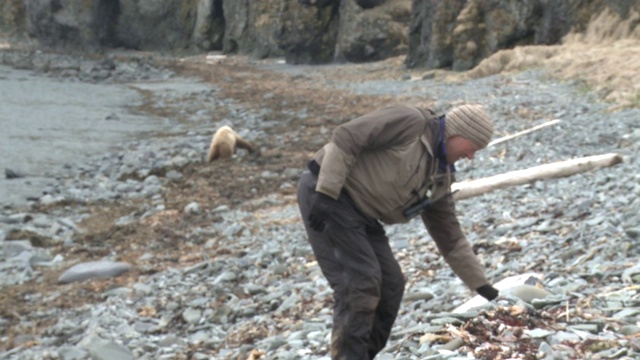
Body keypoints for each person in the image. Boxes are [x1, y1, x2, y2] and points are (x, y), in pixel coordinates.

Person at [296, 103, 500, 359]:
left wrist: (482, 287)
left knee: (392, 284)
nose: (471, 156)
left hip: (364, 215)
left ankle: (363, 355)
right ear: (458, 134)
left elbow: (451, 239)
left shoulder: (441, 177)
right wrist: (326, 192)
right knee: (360, 282)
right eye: (473, 148)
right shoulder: (410, 122)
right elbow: (347, 136)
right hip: (329, 195)